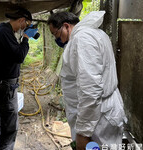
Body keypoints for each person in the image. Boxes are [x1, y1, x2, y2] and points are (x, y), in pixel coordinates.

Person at [47, 11, 127, 150]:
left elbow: (90, 88)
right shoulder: (96, 34)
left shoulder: (82, 39)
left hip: (97, 117)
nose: (58, 40)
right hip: (100, 112)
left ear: (66, 26)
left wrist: (84, 132)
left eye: (56, 34)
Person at [0, 7, 32, 150]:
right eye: (26, 25)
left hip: (0, 85)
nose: (25, 28)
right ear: (21, 20)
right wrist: (25, 39)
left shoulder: (5, 32)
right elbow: (19, 56)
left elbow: (12, 55)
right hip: (4, 88)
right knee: (7, 130)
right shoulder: (4, 33)